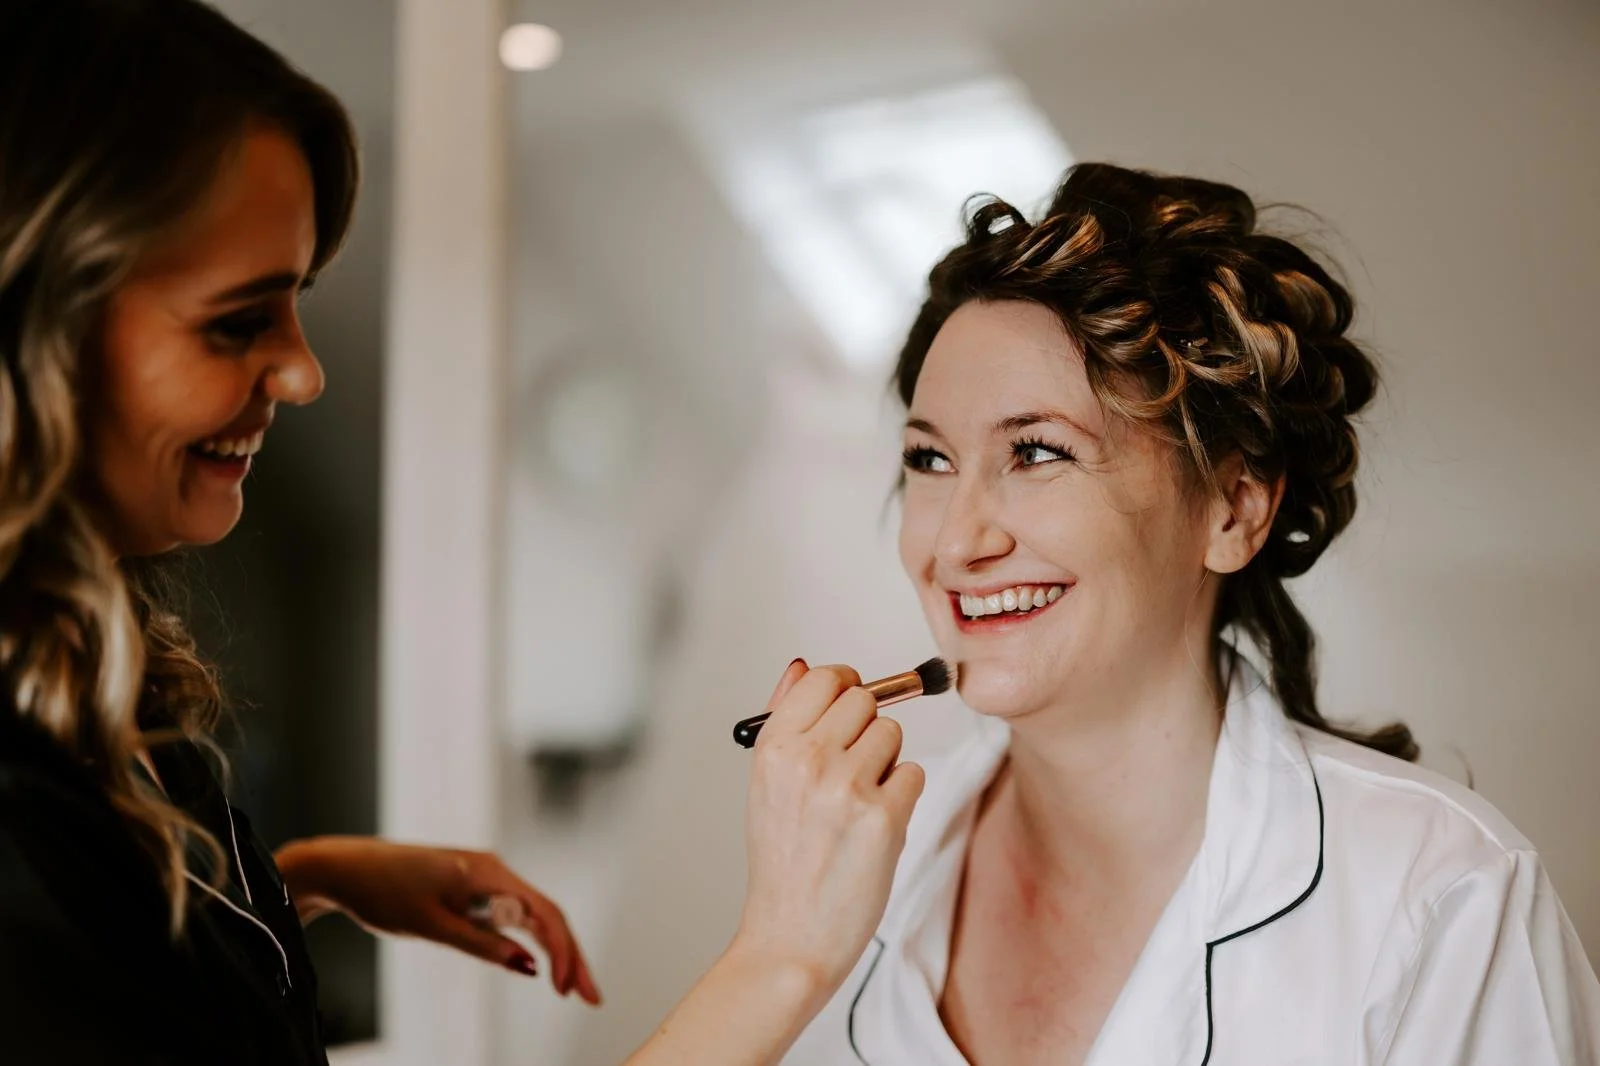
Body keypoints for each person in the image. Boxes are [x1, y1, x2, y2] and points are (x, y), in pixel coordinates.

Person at [0, 2, 922, 1064]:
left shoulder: (74, 677)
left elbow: (125, 969)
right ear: (38, 332)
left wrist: (300, 879)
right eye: (238, 320)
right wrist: (785, 958)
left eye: (299, 300)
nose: (306, 373)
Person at [782, 163, 1600, 1065]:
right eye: (930, 461)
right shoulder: (848, 868)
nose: (955, 541)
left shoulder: (1446, 896)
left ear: (1233, 510)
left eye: (1038, 451)